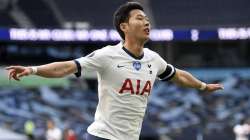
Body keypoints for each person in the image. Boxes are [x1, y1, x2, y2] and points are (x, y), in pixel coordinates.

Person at [6, 2, 224, 140]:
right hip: (103, 136)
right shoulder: (107, 55)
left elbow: (179, 75)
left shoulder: (153, 59)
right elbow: (66, 67)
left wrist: (202, 86)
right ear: (124, 26)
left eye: (147, 19)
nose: (146, 21)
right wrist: (32, 69)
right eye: (139, 18)